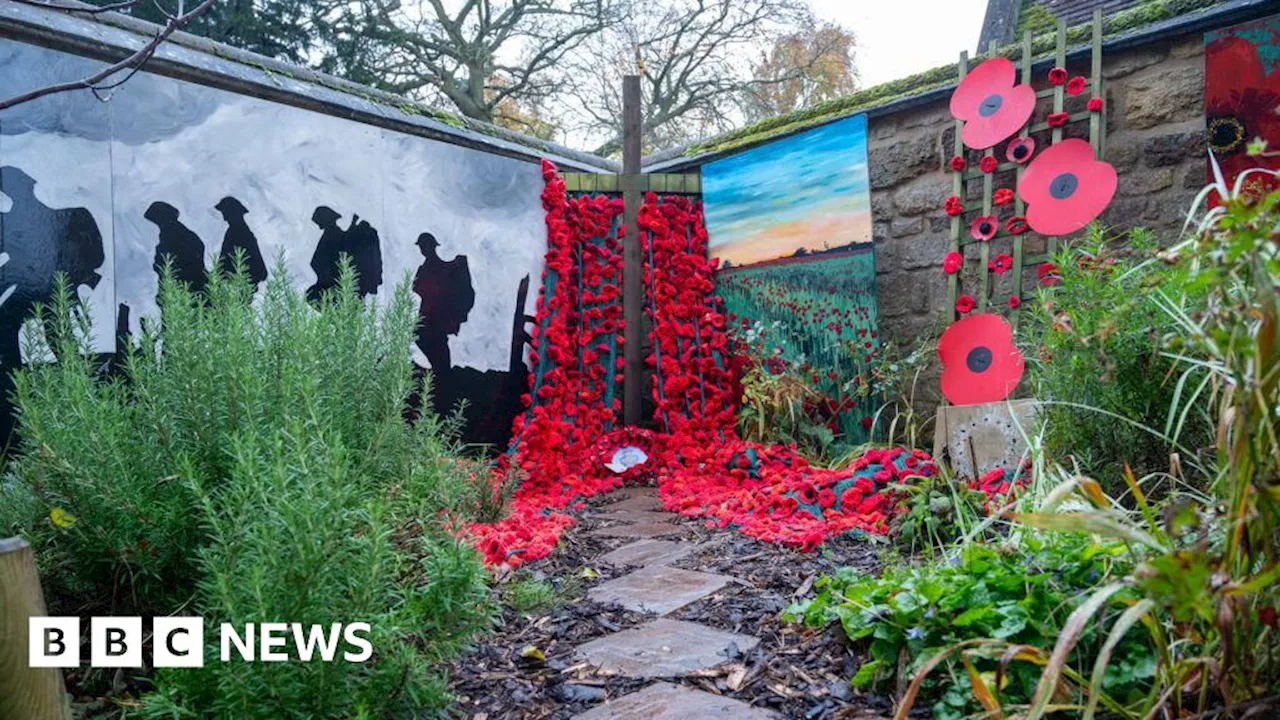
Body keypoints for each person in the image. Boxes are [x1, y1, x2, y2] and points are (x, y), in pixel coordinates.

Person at [0, 165, 105, 446]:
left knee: (56, 336)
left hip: (49, 290)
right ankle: (15, 380)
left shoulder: (66, 217)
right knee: (12, 326)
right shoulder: (11, 222)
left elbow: (93, 257)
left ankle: (63, 386)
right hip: (33, 289)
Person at [412, 232, 474, 373]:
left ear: (431, 247)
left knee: (440, 354)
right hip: (428, 319)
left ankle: (441, 378)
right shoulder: (425, 269)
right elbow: (417, 288)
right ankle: (439, 375)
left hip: (436, 320)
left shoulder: (441, 269)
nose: (423, 249)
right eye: (422, 246)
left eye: (424, 246)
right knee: (434, 348)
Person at [144, 200, 208, 296]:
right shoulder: (183, 233)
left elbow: (166, 261)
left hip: (187, 288)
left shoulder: (171, 235)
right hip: (195, 285)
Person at [214, 196, 267, 290]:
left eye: (225, 212)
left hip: (238, 284)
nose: (224, 217)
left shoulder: (240, 233)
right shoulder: (235, 232)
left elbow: (227, 258)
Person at [306, 205, 345, 304]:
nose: (319, 226)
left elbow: (332, 258)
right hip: (326, 278)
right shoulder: (330, 233)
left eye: (319, 222)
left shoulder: (334, 234)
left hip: (331, 280)